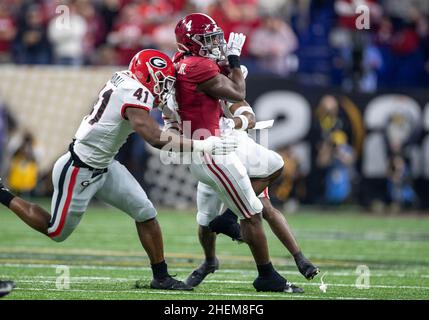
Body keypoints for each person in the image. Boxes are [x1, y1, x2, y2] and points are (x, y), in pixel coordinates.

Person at [0, 49, 235, 291]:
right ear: (146, 77)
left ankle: (161, 277)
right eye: (162, 82)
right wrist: (201, 144)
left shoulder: (126, 79)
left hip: (106, 165)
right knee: (56, 230)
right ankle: (3, 194)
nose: (164, 88)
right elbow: (153, 137)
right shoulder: (134, 92)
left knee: (145, 212)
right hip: (79, 168)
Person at [172, 13, 302, 293]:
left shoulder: (187, 63)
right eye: (207, 39)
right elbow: (237, 90)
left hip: (213, 145)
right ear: (191, 43)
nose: (215, 43)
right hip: (212, 151)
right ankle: (266, 276)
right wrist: (233, 61)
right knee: (253, 213)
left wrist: (228, 69)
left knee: (208, 218)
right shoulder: (197, 66)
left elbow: (237, 100)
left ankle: (212, 258)